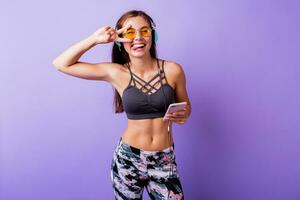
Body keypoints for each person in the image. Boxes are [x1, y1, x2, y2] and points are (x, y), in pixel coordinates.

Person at [52, 10, 191, 200]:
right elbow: (61, 64)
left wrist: (183, 114)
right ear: (120, 39)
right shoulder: (116, 72)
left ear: (153, 35)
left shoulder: (173, 70)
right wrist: (95, 39)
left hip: (164, 160)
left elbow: (186, 107)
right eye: (130, 33)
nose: (138, 38)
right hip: (128, 159)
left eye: (145, 31)